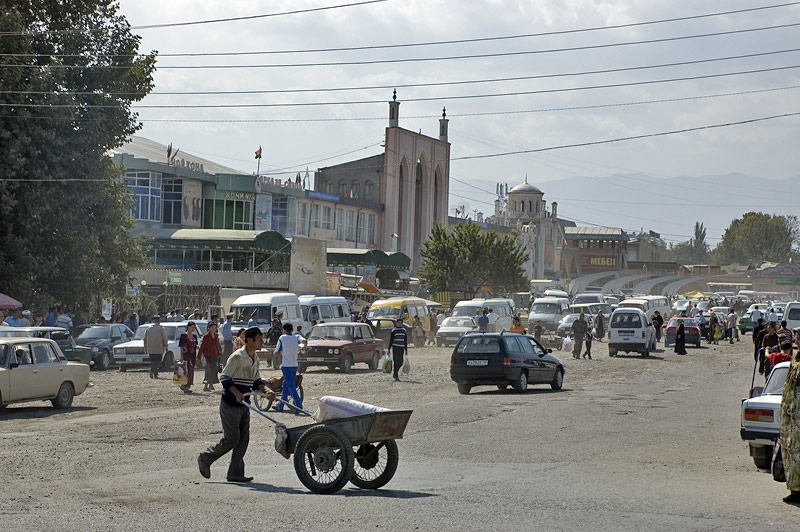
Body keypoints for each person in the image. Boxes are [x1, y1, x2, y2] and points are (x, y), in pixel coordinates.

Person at [198, 326, 271, 483]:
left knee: (244, 439)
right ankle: (205, 458)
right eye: (259, 338)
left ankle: (235, 472)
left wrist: (266, 390)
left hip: (244, 404)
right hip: (231, 403)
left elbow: (257, 381)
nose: (262, 341)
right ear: (250, 340)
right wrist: (236, 393)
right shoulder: (237, 357)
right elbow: (225, 378)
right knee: (232, 438)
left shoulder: (255, 358)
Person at [778, 333, 800, 503]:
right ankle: (795, 491)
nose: (797, 342)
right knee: (791, 454)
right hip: (791, 417)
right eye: (797, 339)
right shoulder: (795, 356)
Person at [273, 323, 305, 412]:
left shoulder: (282, 338)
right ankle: (280, 405)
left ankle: (298, 405)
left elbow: (278, 351)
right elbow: (304, 341)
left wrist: (275, 354)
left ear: (284, 330)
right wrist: (303, 347)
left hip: (286, 365)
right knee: (286, 385)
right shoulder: (296, 337)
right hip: (294, 365)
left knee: (290, 386)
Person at [198, 322, 221, 392]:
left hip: (215, 354)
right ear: (209, 328)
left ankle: (211, 384)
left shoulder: (216, 335)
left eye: (215, 328)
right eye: (212, 328)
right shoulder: (206, 336)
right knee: (212, 369)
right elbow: (202, 347)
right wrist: (199, 356)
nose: (213, 329)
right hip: (208, 355)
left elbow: (216, 345)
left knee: (214, 370)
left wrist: (219, 353)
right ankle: (206, 386)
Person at [178, 321, 199, 394]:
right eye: (192, 327)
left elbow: (195, 345)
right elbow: (181, 347)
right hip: (186, 355)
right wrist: (181, 356)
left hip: (192, 356)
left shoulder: (194, 336)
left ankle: (188, 385)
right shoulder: (183, 336)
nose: (193, 329)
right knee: (185, 370)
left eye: (194, 327)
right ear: (188, 327)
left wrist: (198, 347)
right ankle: (184, 385)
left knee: (191, 371)